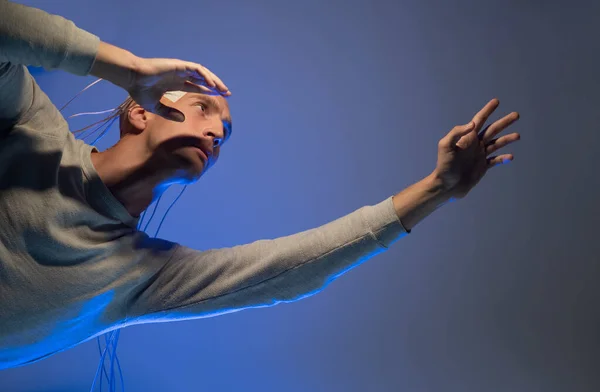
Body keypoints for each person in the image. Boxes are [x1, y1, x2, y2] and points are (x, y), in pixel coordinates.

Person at [0, 0, 520, 370]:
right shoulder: (29, 127)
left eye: (224, 135)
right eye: (204, 108)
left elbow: (291, 270)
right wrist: (128, 67)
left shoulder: (142, 278)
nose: (215, 132)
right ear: (141, 109)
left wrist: (437, 188)